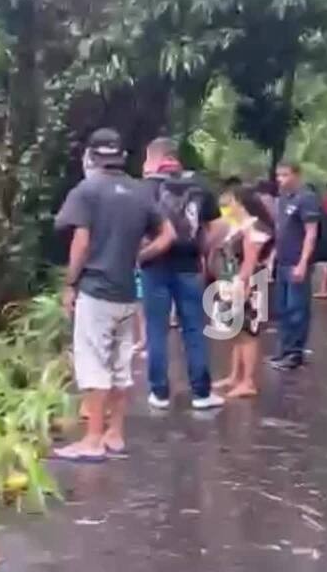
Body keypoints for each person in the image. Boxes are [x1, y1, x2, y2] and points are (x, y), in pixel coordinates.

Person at [55, 128, 175, 462]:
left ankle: (92, 440)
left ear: (91, 156)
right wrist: (141, 257)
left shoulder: (87, 190)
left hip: (96, 291)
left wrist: (69, 283)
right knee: (121, 366)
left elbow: (81, 242)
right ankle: (115, 435)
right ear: (121, 156)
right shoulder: (140, 192)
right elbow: (169, 234)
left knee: (93, 365)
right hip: (126, 292)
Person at [139, 137, 225, 410]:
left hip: (154, 266)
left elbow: (135, 228)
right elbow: (218, 228)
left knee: (156, 330)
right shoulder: (199, 185)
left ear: (154, 158)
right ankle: (201, 393)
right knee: (193, 329)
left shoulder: (144, 189)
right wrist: (203, 251)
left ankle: (159, 393)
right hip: (189, 267)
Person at [213, 187, 274, 398]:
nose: (227, 209)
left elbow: (250, 261)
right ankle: (234, 375)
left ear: (241, 204)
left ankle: (247, 381)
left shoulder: (254, 228)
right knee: (236, 331)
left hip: (249, 283)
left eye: (230, 204)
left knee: (248, 333)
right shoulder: (238, 226)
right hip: (234, 281)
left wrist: (243, 286)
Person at [270, 162, 320, 371]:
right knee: (281, 308)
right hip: (282, 260)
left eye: (285, 175)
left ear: (296, 175)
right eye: (278, 175)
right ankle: (284, 349)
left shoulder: (306, 198)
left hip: (296, 262)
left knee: (296, 308)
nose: (280, 179)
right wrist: (272, 256)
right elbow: (280, 230)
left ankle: (295, 353)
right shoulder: (283, 199)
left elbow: (311, 232)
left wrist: (303, 262)